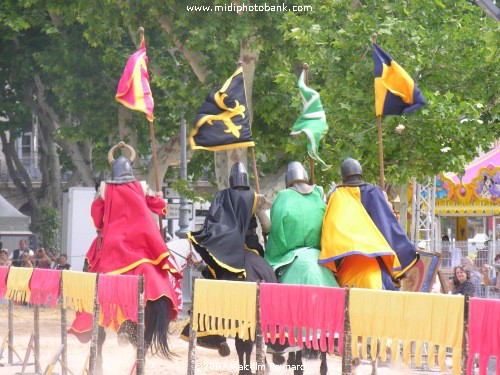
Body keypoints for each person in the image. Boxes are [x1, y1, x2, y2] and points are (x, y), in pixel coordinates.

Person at [69, 142, 182, 358]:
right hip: (142, 245)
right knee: (161, 271)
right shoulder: (141, 187)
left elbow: (96, 218)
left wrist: (101, 227)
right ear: (131, 170)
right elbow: (159, 206)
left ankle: (97, 320)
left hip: (112, 248)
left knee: (92, 273)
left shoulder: (104, 188)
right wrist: (158, 196)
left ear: (112, 171)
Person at [320, 158, 419, 290]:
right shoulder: (374, 192)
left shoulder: (337, 195)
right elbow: (387, 225)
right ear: (360, 173)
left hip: (348, 269)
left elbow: (331, 232)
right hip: (380, 269)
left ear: (343, 176)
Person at [265, 161, 338, 287]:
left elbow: (276, 235)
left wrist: (271, 257)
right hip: (320, 257)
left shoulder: (283, 197)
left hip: (291, 258)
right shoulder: (318, 195)